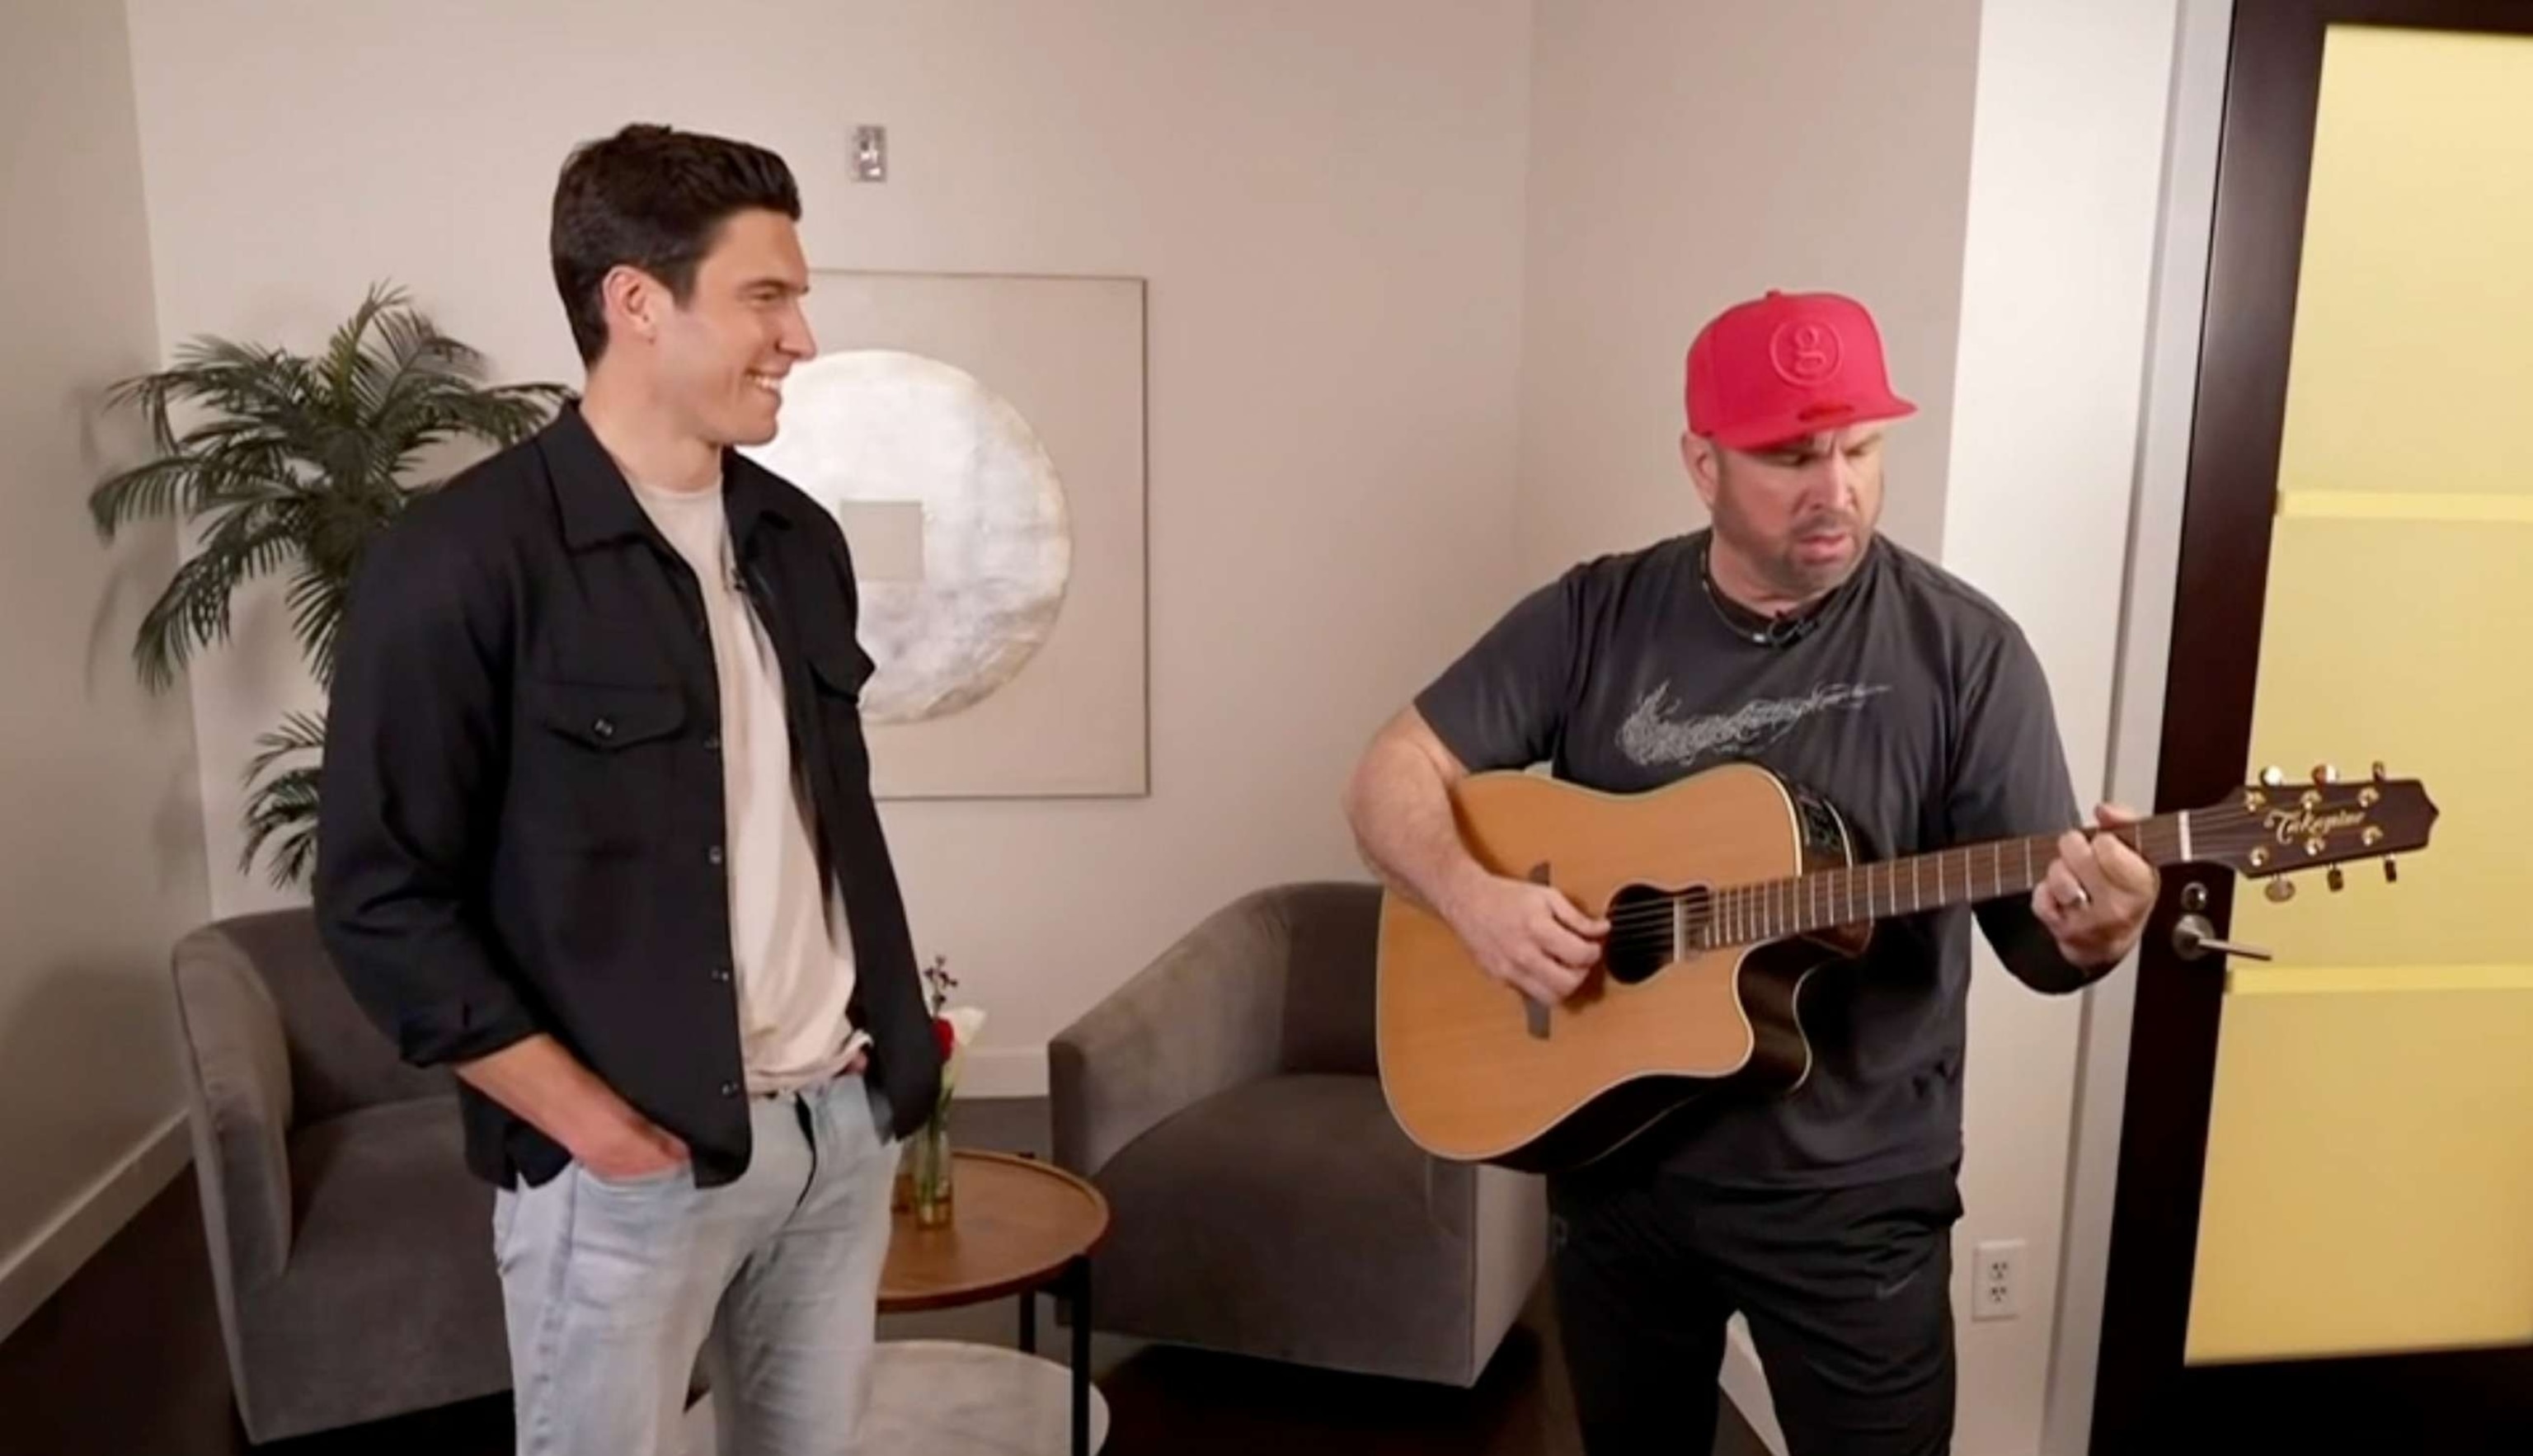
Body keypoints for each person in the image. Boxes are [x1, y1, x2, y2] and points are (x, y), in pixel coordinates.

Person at [1340, 289, 2155, 1455]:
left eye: (1861, 448)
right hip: (1615, 1163)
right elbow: (1388, 773)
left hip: (1856, 1194)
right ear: (1703, 463)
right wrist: (1476, 902)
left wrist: (2102, 925)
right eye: (1789, 456)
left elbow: (2043, 937)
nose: (1837, 489)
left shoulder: (1967, 654)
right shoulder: (1594, 614)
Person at [313, 123, 941, 1456]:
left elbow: (817, 827)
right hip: (627, 1173)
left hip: (839, 1129)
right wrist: (591, 1125)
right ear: (637, 303)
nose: (802, 337)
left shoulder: (797, 540)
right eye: (767, 296)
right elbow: (381, 899)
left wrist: (884, 1069)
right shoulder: (460, 561)